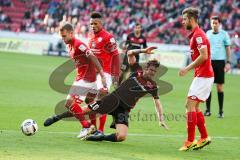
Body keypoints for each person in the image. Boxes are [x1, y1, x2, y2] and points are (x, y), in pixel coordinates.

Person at [44, 12, 120, 138]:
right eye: (91, 24)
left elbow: (116, 55)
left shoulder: (108, 37)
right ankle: (93, 128)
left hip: (105, 73)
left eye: (95, 23)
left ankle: (100, 131)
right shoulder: (90, 37)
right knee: (90, 101)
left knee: (101, 99)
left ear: (101, 23)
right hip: (92, 74)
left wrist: (115, 75)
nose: (92, 26)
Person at [73, 46, 168, 142]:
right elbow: (130, 53)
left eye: (155, 71)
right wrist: (144, 50)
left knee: (121, 136)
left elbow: (157, 103)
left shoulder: (153, 86)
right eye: (151, 70)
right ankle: (78, 123)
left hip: (124, 109)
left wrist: (161, 119)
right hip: (113, 100)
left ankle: (100, 136)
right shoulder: (136, 70)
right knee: (81, 111)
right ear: (146, 68)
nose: (153, 73)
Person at [178, 7, 214, 151]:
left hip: (204, 75)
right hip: (202, 75)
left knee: (189, 106)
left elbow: (204, 56)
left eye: (185, 19)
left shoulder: (199, 35)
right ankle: (204, 137)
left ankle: (190, 140)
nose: (182, 22)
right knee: (194, 106)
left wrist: (187, 68)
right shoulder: (195, 34)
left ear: (191, 20)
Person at [204, 16, 231, 118]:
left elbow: (228, 49)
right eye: (212, 23)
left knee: (219, 87)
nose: (214, 25)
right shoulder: (208, 33)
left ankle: (220, 111)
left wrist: (228, 62)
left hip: (220, 63)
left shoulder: (224, 34)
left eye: (216, 23)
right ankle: (208, 110)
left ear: (219, 24)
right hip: (209, 63)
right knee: (208, 87)